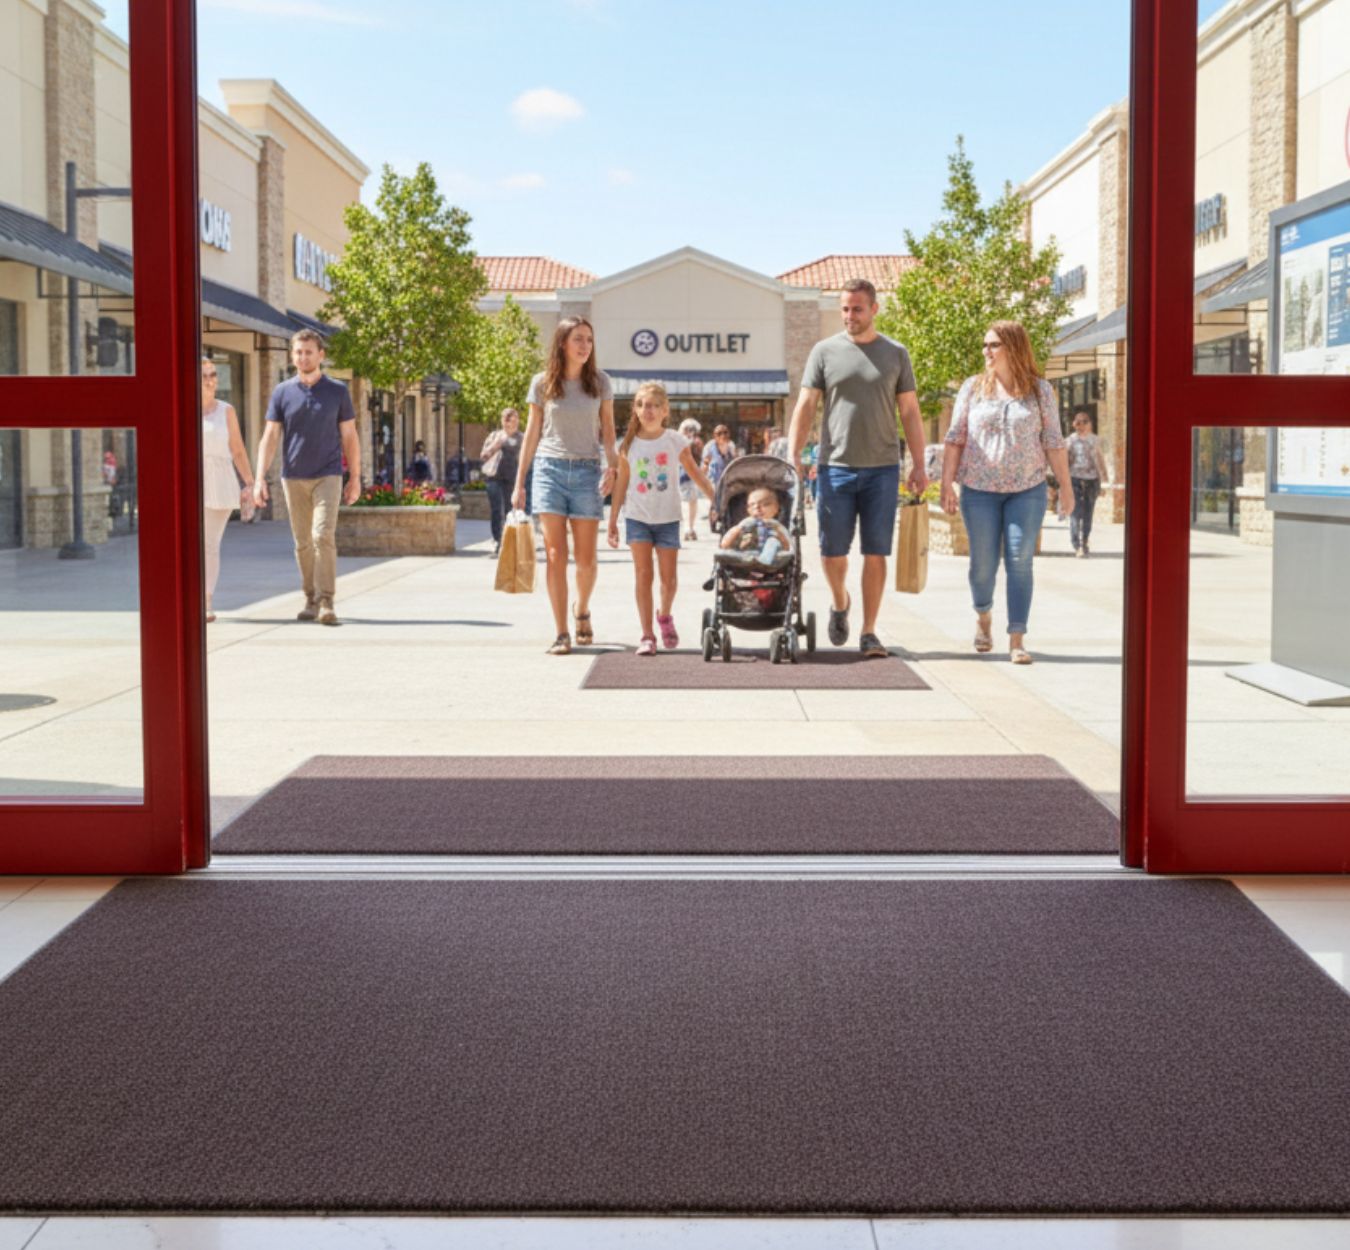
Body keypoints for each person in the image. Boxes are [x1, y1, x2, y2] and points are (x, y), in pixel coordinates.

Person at [788, 277, 927, 659]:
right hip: (835, 467)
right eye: (845, 309)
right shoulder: (824, 351)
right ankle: (840, 602)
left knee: (875, 552)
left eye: (857, 309)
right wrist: (794, 454)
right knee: (831, 553)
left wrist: (918, 463)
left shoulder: (896, 354)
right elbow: (805, 405)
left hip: (883, 468)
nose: (850, 316)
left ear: (874, 309)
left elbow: (910, 411)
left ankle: (869, 631)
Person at [940, 320, 1074, 665]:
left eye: (994, 345)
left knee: (1020, 560)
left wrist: (1066, 487)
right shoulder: (972, 388)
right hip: (979, 490)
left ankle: (1017, 638)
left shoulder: (1040, 391)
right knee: (983, 564)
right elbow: (955, 438)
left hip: (1027, 490)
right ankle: (983, 615)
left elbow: (1054, 441)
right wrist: (946, 483)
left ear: (1013, 347)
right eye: (985, 345)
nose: (986, 351)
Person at [512, 316, 618, 654]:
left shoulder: (600, 382)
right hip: (549, 470)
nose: (585, 345)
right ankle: (561, 633)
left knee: (586, 561)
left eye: (589, 339)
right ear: (562, 343)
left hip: (587, 471)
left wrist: (612, 466)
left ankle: (581, 609)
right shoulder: (542, 383)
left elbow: (608, 430)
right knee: (555, 555)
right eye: (578, 339)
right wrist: (520, 481)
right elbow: (532, 433)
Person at [252, 329, 361, 627]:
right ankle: (310, 598)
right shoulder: (282, 392)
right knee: (302, 542)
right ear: (292, 355)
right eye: (298, 352)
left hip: (328, 474)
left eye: (308, 352)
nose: (303, 357)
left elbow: (349, 436)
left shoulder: (337, 391)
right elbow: (270, 436)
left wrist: (355, 477)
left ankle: (326, 601)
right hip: (293, 476)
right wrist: (259, 478)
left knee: (322, 535)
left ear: (320, 355)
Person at [607, 382, 715, 655]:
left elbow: (695, 474)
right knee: (643, 575)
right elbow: (621, 484)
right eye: (643, 405)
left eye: (655, 406)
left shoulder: (675, 441)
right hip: (637, 518)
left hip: (668, 519)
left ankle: (664, 615)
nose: (649, 410)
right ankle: (647, 635)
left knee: (669, 581)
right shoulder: (627, 444)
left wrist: (718, 499)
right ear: (635, 409)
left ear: (665, 410)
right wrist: (612, 520)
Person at [200, 358, 254, 623]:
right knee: (189, 545)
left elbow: (238, 450)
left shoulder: (226, 411)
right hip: (191, 479)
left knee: (210, 545)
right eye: (204, 376)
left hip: (219, 481)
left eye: (213, 375)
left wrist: (250, 483)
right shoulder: (181, 408)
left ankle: (206, 601)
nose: (210, 380)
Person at [1066, 408, 1111, 558]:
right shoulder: (1069, 441)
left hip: (1092, 481)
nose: (1081, 425)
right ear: (1074, 424)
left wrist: (1104, 483)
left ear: (1090, 424)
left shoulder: (1095, 440)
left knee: (1088, 513)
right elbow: (1065, 462)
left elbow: (1101, 462)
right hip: (1075, 480)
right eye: (1078, 422)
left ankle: (1084, 542)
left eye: (1085, 421)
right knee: (1075, 513)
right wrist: (1063, 484)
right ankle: (1076, 544)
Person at [480, 408, 523, 555]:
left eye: (514, 420)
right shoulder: (494, 436)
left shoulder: (521, 438)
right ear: (503, 421)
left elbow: (527, 459)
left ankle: (510, 541)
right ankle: (498, 540)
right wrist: (495, 445)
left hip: (512, 479)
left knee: (511, 511)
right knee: (496, 510)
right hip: (494, 478)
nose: (510, 423)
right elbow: (483, 456)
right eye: (507, 420)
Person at [720, 487, 790, 565]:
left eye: (765, 504)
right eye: (752, 505)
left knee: (773, 542)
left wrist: (779, 536)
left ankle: (762, 563)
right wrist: (737, 536)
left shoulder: (776, 525)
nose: (757, 508)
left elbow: (788, 547)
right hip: (748, 554)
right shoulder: (747, 523)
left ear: (776, 508)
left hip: (772, 557)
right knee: (733, 548)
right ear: (748, 509)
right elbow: (727, 541)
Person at [677, 417, 705, 540]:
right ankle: (688, 528)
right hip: (684, 473)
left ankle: (690, 528)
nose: (691, 432)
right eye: (689, 429)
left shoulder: (694, 442)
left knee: (691, 501)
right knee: (687, 501)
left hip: (689, 473)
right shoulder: (681, 441)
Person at [702, 424, 738, 491]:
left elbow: (737, 463)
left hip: (728, 484)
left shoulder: (731, 446)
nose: (723, 436)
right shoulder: (709, 447)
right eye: (719, 434)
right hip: (713, 484)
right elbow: (704, 467)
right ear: (714, 436)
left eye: (725, 432)